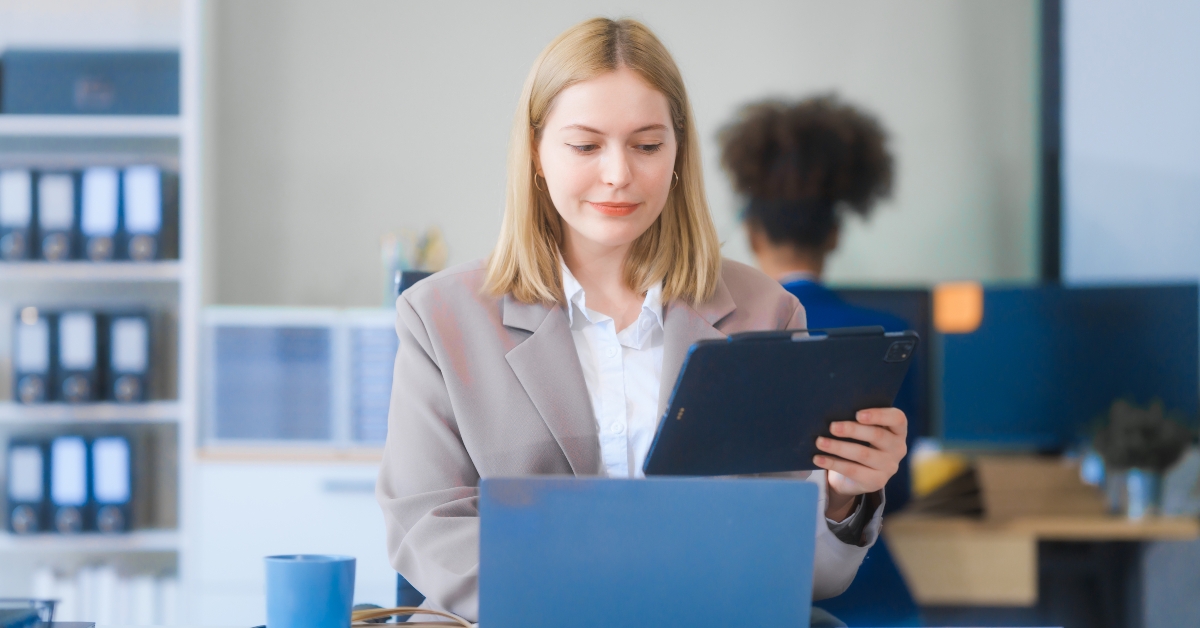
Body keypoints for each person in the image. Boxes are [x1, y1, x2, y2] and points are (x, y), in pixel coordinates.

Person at [375, 19, 908, 623]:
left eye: (647, 145)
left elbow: (804, 571)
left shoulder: (767, 310)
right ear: (535, 152)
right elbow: (428, 526)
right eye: (585, 145)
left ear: (678, 151)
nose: (618, 174)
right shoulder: (440, 317)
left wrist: (841, 495)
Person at [720, 97, 920, 625]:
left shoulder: (723, 334)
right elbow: (896, 489)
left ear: (753, 234)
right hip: (873, 591)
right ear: (833, 234)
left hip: (760, 586)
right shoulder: (888, 336)